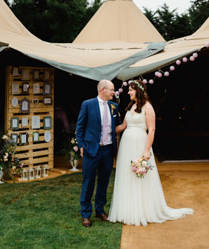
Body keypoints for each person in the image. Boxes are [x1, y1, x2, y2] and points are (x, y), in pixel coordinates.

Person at [108, 80, 193, 226]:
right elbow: (122, 126)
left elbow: (152, 129)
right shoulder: (130, 106)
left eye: (130, 90)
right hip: (126, 145)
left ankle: (142, 210)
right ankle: (127, 210)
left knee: (139, 177)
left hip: (140, 145)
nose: (128, 92)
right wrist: (105, 130)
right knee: (126, 175)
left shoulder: (148, 107)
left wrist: (147, 150)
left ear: (138, 91)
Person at [76, 79, 121, 227]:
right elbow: (80, 127)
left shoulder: (114, 106)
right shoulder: (87, 104)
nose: (113, 92)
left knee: (103, 182)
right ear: (102, 90)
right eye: (111, 89)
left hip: (108, 150)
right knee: (88, 182)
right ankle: (86, 214)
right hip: (91, 150)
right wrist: (81, 146)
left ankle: (100, 210)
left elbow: (117, 127)